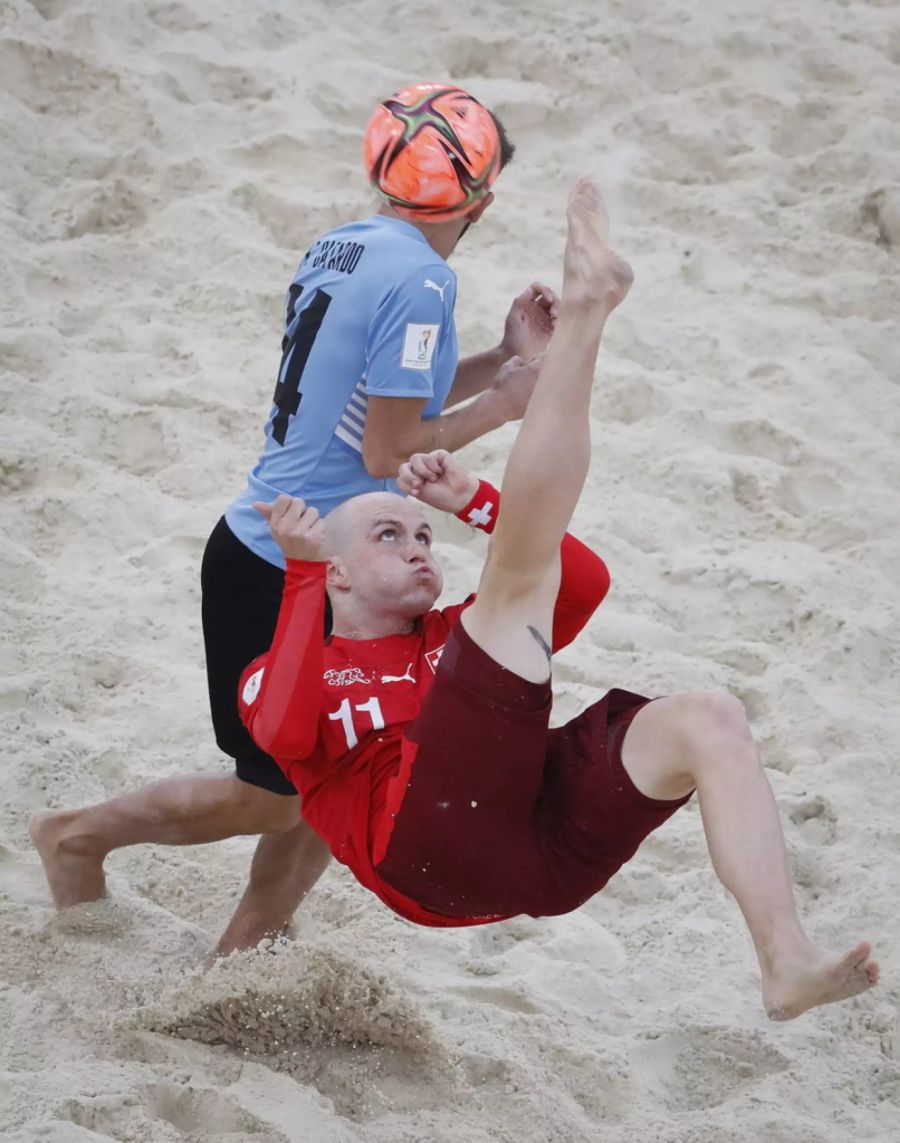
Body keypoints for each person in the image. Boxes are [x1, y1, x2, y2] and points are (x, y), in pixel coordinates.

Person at [237, 179, 879, 1020]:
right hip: (418, 852)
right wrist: (296, 575)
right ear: (339, 573)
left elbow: (585, 585)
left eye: (425, 535)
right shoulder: (295, 660)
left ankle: (785, 959)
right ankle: (585, 316)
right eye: (390, 534)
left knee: (709, 718)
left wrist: (473, 500)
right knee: (511, 587)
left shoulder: (446, 637)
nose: (418, 543)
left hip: (530, 863)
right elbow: (284, 732)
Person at [30, 81, 559, 957]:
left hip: (301, 550)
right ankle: (75, 834)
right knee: (272, 795)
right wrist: (506, 403)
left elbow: (375, 405)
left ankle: (244, 952)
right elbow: (394, 449)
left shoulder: (344, 246)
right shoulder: (426, 279)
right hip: (286, 563)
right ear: (483, 201)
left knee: (341, 772)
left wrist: (501, 361)